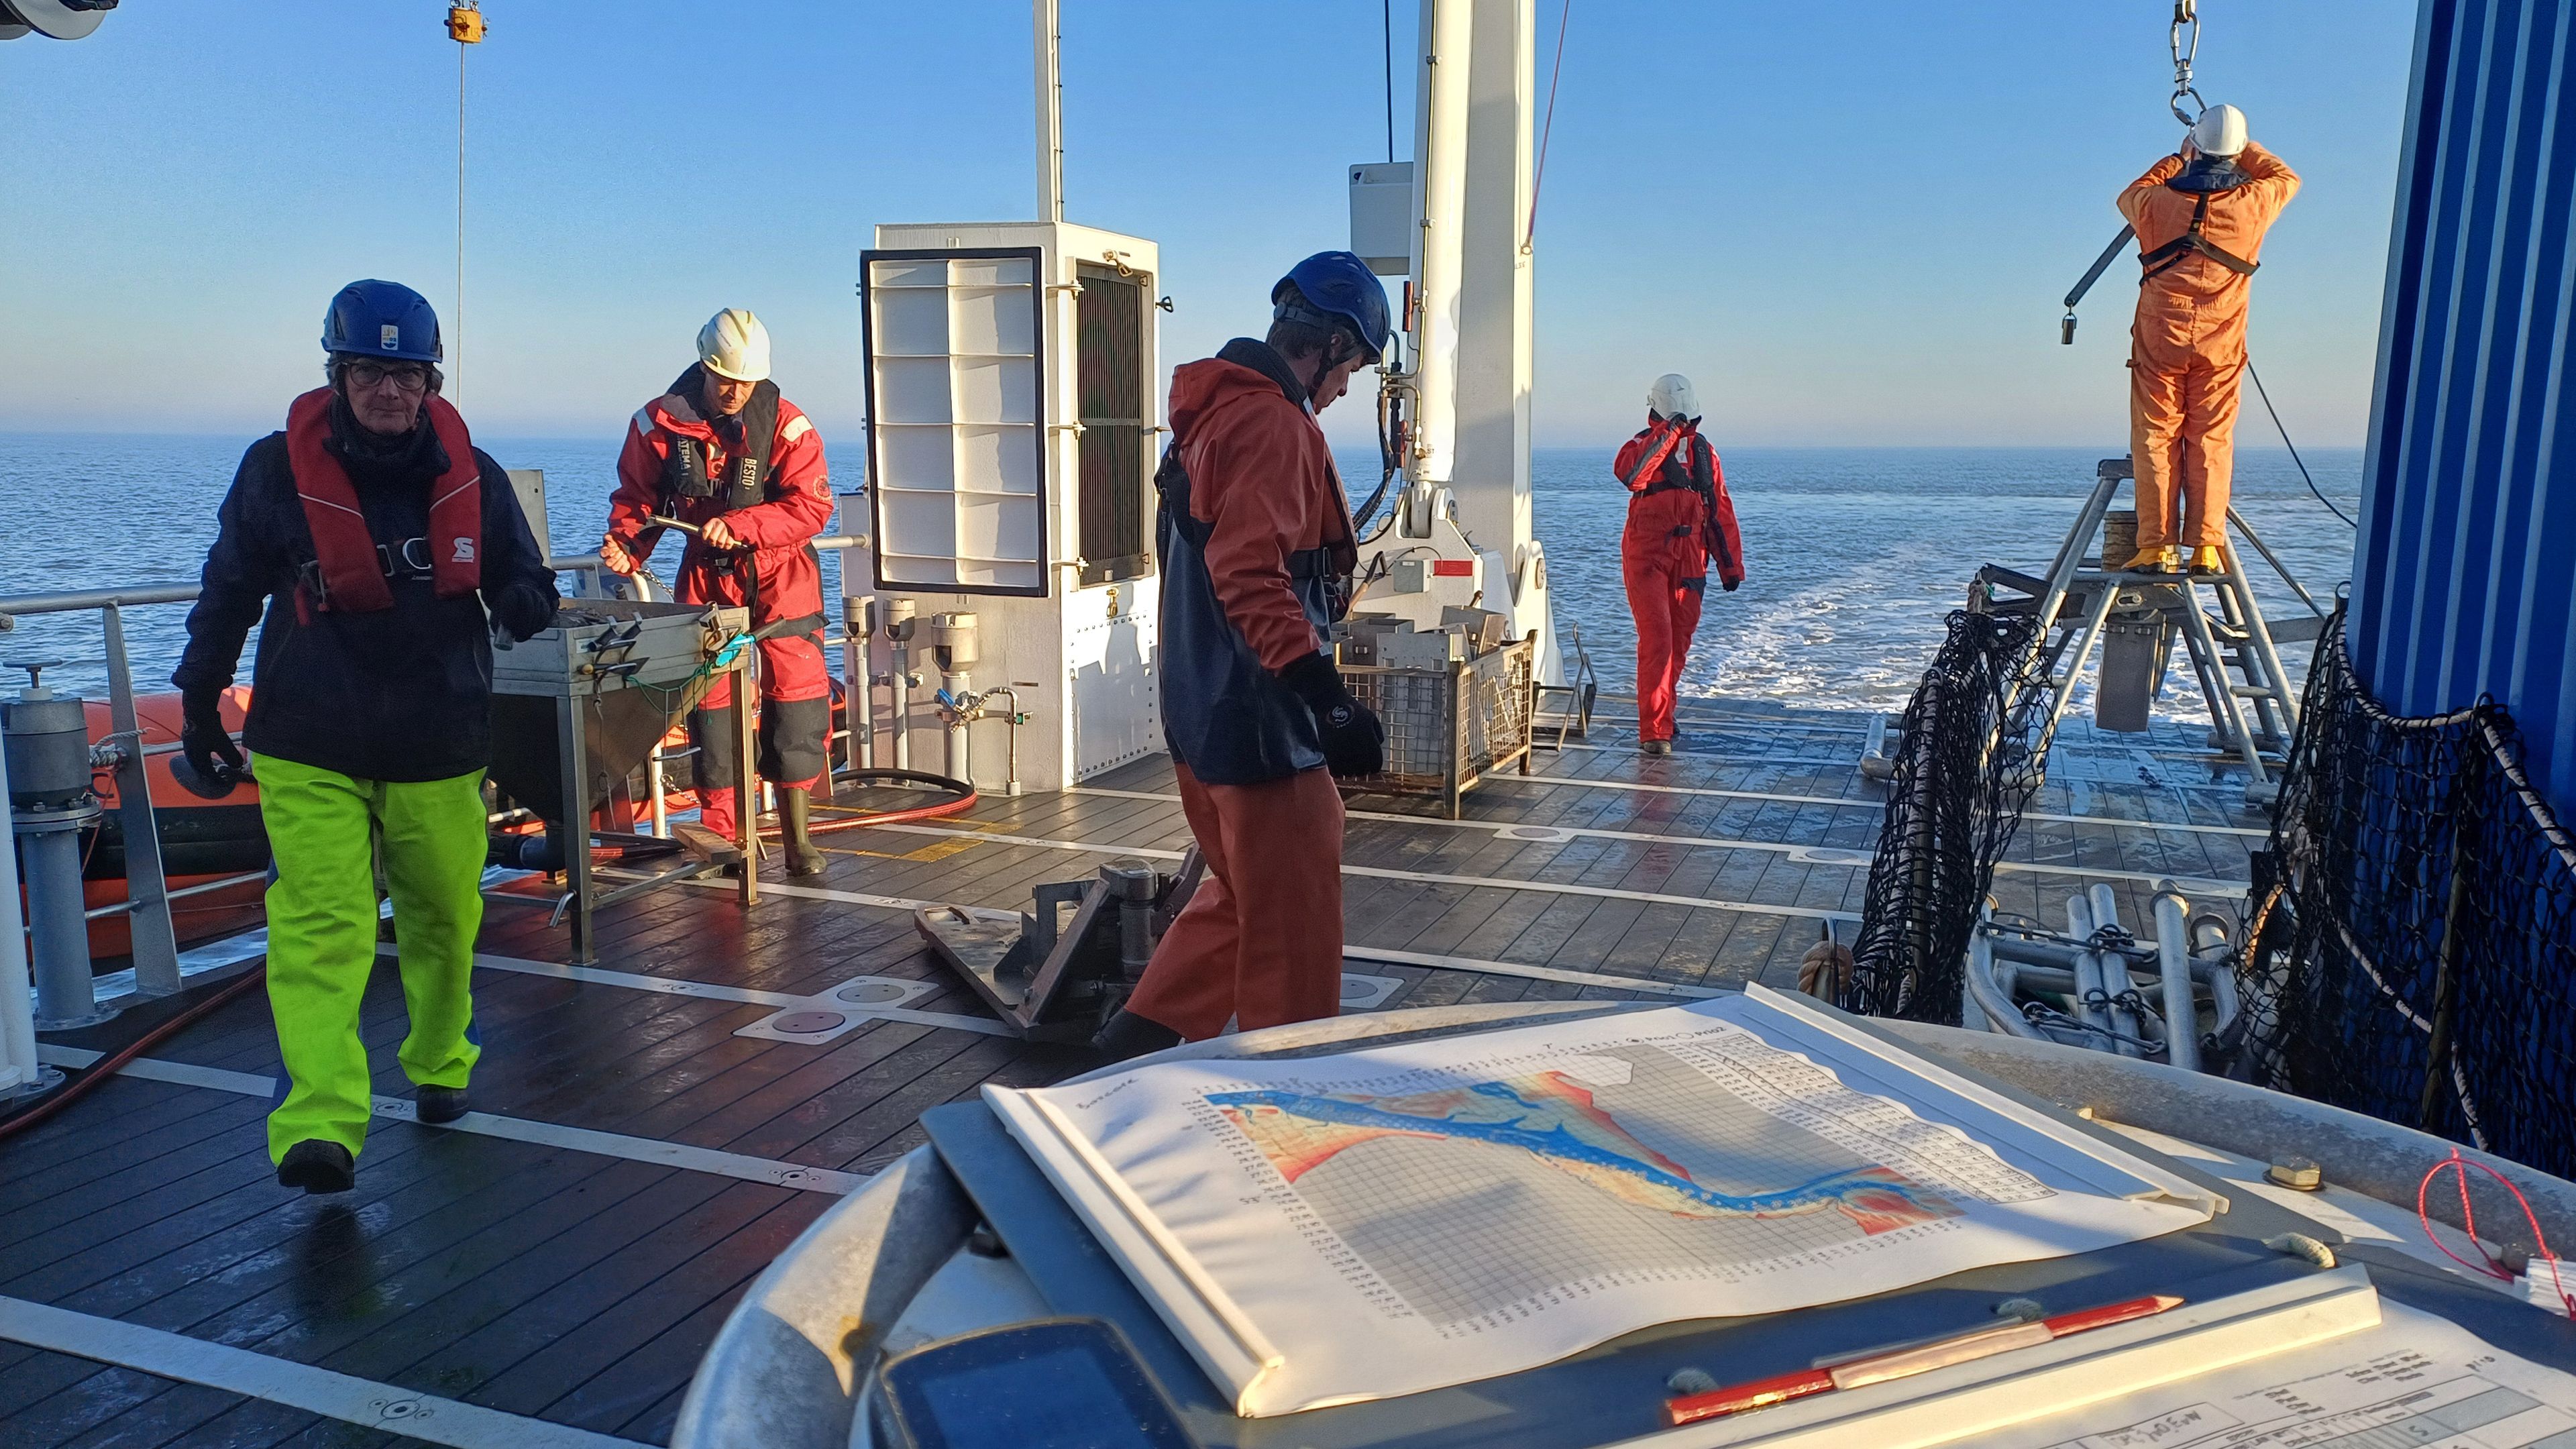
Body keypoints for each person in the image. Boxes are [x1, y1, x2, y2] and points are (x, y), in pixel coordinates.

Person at [172, 280, 559, 1194]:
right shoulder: (274, 472)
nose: (388, 391)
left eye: (405, 374)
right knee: (320, 927)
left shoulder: (479, 478)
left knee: (444, 915)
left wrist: (523, 602)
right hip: (311, 735)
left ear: (431, 383)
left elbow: (528, 581)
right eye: (367, 372)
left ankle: (439, 1063)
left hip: (438, 735)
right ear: (337, 376)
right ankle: (319, 1125)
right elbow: (227, 590)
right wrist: (197, 705)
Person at [1090, 252, 1391, 1060]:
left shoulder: (1209, 417)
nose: (1348, 388)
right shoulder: (1270, 424)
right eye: (1353, 365)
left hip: (1201, 719)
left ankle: (1130, 1050)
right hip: (1262, 730)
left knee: (1241, 900)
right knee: (1292, 926)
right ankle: (1289, 1103)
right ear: (1327, 346)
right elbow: (1250, 576)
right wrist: (1326, 699)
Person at [600, 309, 836, 875]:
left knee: (798, 700)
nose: (735, 392)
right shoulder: (657, 424)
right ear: (705, 367)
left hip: (783, 574)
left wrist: (745, 526)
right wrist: (626, 547)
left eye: (746, 382)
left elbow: (812, 507)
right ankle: (730, 840)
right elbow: (639, 499)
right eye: (726, 378)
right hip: (708, 573)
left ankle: (796, 838)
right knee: (714, 708)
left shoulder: (788, 427)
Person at [2117, 103, 2300, 575]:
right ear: (2236, 152)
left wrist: (2177, 159)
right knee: (2211, 438)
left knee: (2157, 436)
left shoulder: (2156, 203)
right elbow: (2285, 176)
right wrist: (2245, 150)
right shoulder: (2254, 203)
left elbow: (2131, 193)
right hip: (2220, 340)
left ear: (2197, 147)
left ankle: (2156, 547)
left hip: (2162, 335)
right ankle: (2205, 547)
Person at [1614, 374, 1745, 755]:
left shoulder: (1705, 453)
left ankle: (1664, 718)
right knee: (1657, 639)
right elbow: (1632, 476)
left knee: (1678, 645)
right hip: (1647, 556)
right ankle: (1654, 730)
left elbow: (1720, 510)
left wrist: (1730, 566)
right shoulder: (1640, 446)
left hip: (1690, 558)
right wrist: (1669, 433)